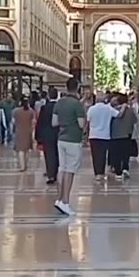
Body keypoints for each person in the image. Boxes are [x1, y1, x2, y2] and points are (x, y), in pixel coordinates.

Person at [52, 78, 86, 215]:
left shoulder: (59, 103)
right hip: (73, 139)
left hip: (61, 139)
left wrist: (65, 122)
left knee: (62, 168)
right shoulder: (77, 104)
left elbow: (54, 122)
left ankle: (59, 199)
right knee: (70, 171)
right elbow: (81, 124)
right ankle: (65, 201)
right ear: (77, 88)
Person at [86, 92, 118, 180]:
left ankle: (97, 173)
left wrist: (86, 136)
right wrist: (123, 107)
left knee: (95, 155)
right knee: (103, 154)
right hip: (105, 135)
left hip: (93, 135)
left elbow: (88, 122)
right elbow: (118, 114)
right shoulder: (108, 109)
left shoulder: (91, 109)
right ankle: (102, 171)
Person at [109, 94, 136, 179]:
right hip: (127, 134)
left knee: (117, 153)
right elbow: (135, 120)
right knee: (125, 153)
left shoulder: (113, 110)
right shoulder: (130, 110)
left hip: (115, 135)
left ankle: (118, 172)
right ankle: (125, 168)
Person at [35, 88, 59, 184]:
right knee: (57, 154)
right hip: (58, 133)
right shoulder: (59, 106)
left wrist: (37, 137)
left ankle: (51, 174)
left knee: (49, 155)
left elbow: (40, 122)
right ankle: (56, 171)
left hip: (46, 135)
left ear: (49, 95)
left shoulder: (44, 108)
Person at [12, 97, 34, 172]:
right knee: (27, 149)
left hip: (19, 131)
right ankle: (26, 165)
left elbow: (13, 122)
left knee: (20, 150)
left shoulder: (16, 111)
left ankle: (22, 166)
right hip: (28, 131)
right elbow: (33, 121)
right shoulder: (31, 111)